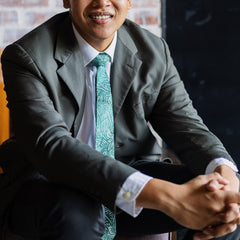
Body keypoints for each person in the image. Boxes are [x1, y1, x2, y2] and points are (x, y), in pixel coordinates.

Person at [0, 0, 240, 239]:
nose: (102, 2)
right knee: (78, 214)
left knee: (223, 203)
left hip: (128, 177)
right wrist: (166, 197)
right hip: (50, 184)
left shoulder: (154, 51)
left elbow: (188, 127)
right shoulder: (26, 56)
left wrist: (226, 176)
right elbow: (51, 146)